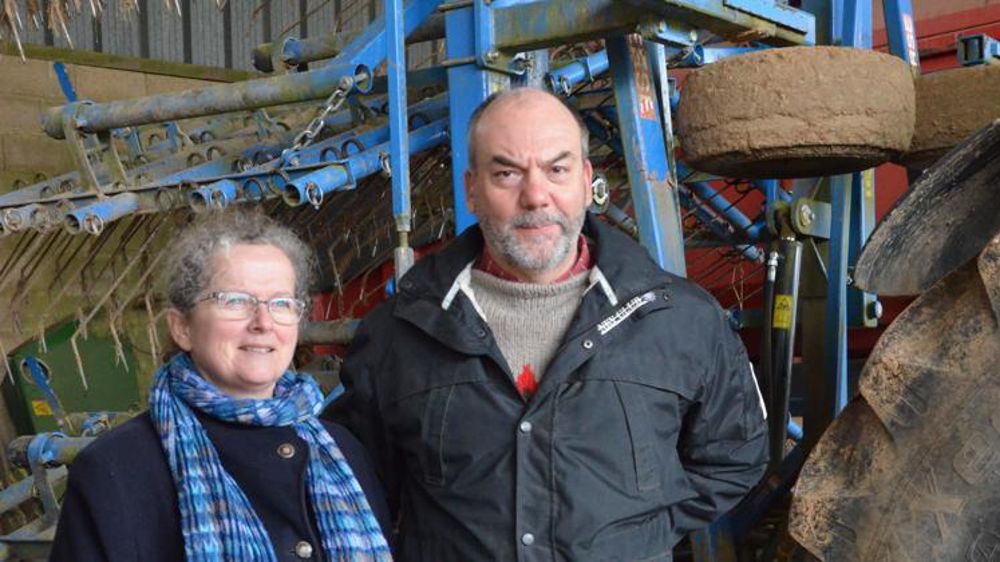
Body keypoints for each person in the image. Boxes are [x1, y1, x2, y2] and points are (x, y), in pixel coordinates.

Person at [328, 87, 768, 561]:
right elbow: (358, 487)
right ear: (472, 190)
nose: (536, 196)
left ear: (585, 180)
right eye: (506, 173)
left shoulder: (680, 319)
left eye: (556, 170)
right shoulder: (398, 334)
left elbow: (734, 457)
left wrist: (640, 533)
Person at [50, 210, 392, 562]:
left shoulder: (344, 450)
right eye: (235, 301)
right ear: (182, 327)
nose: (263, 322)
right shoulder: (116, 470)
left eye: (281, 303)